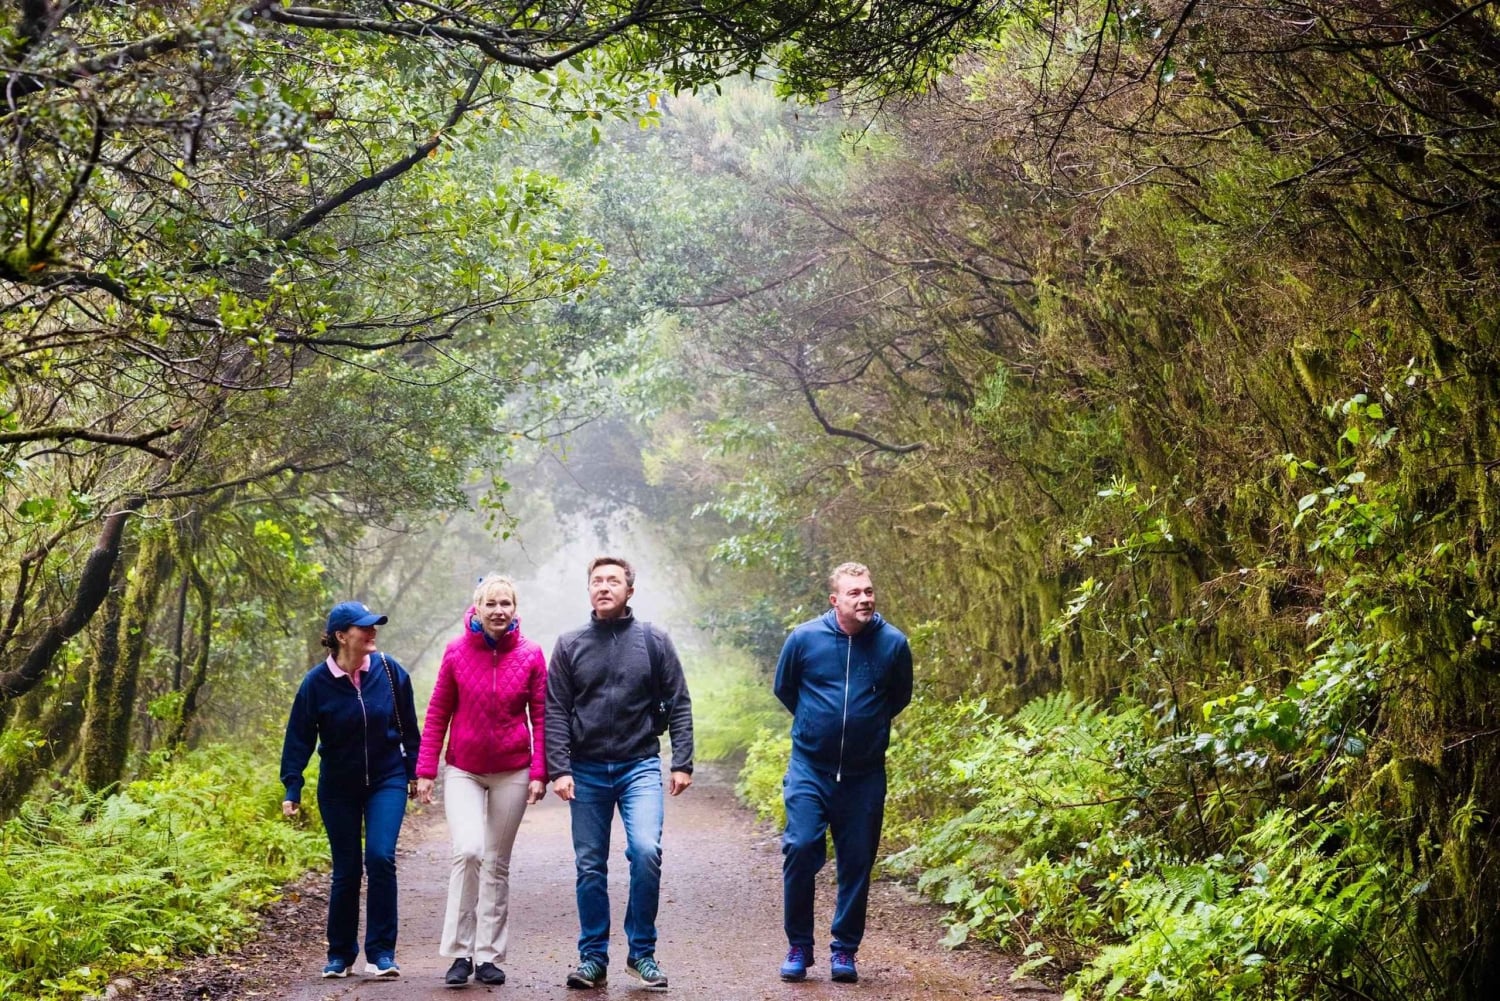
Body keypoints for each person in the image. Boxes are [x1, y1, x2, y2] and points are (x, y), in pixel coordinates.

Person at [545, 556, 694, 992]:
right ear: (588, 590)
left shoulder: (653, 641)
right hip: (586, 770)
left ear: (630, 590)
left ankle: (641, 954)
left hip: (639, 765)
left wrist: (682, 760)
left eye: (613, 580)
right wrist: (559, 768)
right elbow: (554, 710)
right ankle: (592, 958)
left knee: (646, 851)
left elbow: (679, 701)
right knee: (590, 865)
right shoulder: (570, 643)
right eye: (597, 581)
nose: (604, 587)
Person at [773, 562, 913, 985]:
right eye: (854, 593)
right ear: (835, 600)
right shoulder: (804, 639)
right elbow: (786, 689)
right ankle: (799, 945)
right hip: (810, 768)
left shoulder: (893, 644)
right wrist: (819, 725)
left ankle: (844, 951)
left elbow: (898, 698)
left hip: (864, 775)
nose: (865, 598)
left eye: (868, 591)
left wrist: (863, 732)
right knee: (800, 847)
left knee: (856, 863)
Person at [415, 574, 548, 988]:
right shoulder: (456, 652)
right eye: (491, 604)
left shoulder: (530, 654)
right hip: (464, 769)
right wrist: (425, 771)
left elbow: (542, 717)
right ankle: (459, 953)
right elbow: (438, 712)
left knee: (496, 862)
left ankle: (489, 955)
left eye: (505, 603)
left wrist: (540, 771)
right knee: (468, 851)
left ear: (515, 609)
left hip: (513, 769)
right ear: (476, 608)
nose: (498, 611)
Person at [280, 600, 420, 979]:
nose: (373, 632)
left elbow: (409, 727)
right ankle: (340, 955)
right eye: (365, 628)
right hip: (338, 786)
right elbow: (299, 739)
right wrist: (292, 787)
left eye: (375, 626)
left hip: (387, 780)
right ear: (342, 637)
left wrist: (414, 771)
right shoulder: (316, 684)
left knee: (379, 857)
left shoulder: (390, 672)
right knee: (346, 868)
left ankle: (380, 953)